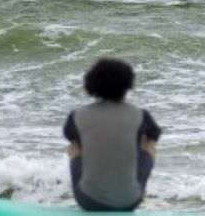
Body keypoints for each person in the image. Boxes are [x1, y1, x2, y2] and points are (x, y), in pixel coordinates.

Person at [63, 58, 161, 212]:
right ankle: (130, 187)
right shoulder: (140, 115)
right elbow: (155, 135)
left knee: (74, 145)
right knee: (148, 142)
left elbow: (70, 136)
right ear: (127, 84)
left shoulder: (77, 115)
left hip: (88, 202)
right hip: (129, 202)